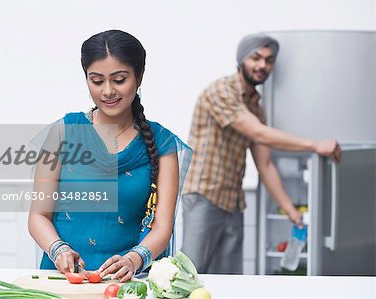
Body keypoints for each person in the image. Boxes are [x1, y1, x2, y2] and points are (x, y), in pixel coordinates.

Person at [28, 30, 191, 282]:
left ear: (139, 77)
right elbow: (38, 216)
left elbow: (162, 227)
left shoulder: (161, 142)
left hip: (128, 282)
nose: (107, 91)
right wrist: (58, 249)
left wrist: (133, 260)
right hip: (64, 279)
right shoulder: (63, 132)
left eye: (119, 79)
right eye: (96, 81)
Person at [181, 33, 342, 274]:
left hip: (233, 202)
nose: (262, 65)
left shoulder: (255, 106)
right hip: (204, 195)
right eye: (256, 58)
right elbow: (258, 133)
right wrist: (315, 145)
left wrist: (290, 210)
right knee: (189, 273)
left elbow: (265, 165)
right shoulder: (221, 91)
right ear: (241, 60)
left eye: (268, 60)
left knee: (228, 278)